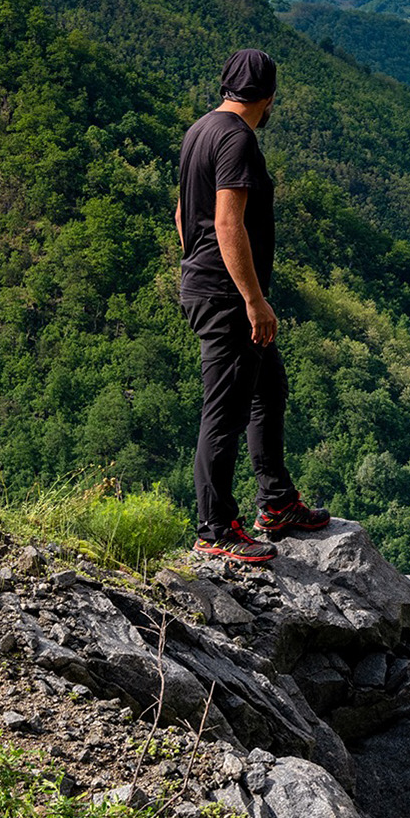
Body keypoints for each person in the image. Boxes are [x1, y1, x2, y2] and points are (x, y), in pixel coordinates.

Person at [176, 48, 330, 564]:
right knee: (224, 411)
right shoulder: (239, 139)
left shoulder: (201, 129)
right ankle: (215, 529)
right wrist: (252, 299)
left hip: (208, 285)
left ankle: (277, 502)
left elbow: (182, 213)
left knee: (269, 387)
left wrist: (192, 262)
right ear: (267, 98)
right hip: (228, 298)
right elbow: (226, 222)